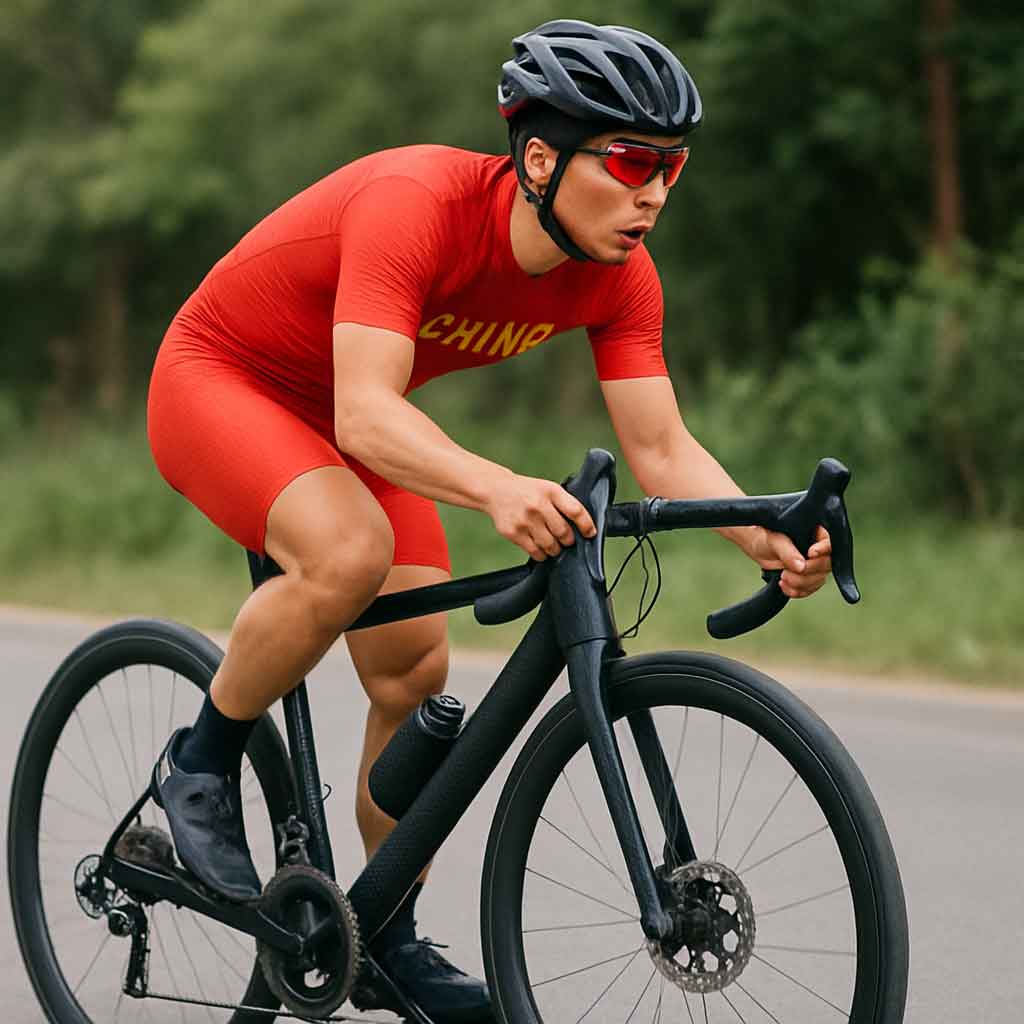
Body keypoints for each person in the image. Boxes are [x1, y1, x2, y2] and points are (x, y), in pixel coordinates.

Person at [146, 18, 833, 1024]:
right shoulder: (415, 203)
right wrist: (499, 487)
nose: (652, 192)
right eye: (630, 162)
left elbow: (660, 446)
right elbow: (365, 412)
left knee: (412, 671)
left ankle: (382, 936)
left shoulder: (619, 273)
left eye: (671, 168)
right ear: (540, 159)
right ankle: (199, 765)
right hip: (224, 380)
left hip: (351, 415)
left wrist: (759, 536)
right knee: (347, 552)